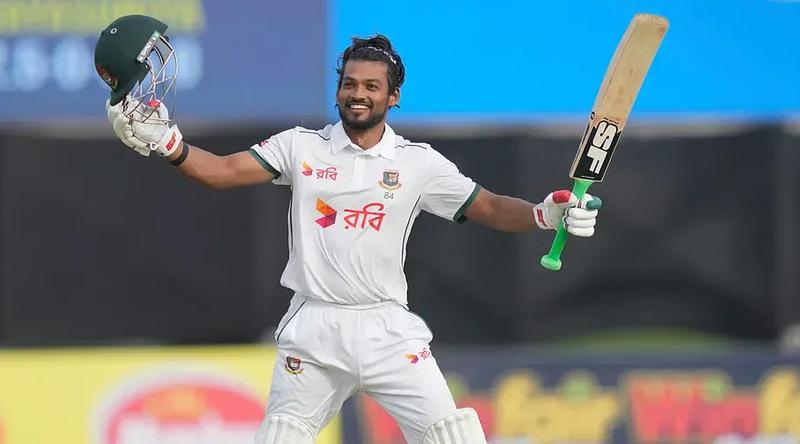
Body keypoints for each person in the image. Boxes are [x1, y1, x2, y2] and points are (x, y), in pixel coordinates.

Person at [96, 15, 601, 444]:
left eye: (371, 87)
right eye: (350, 84)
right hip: (315, 330)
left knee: (455, 437)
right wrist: (169, 144)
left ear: (393, 96)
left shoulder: (417, 162)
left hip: (387, 329)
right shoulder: (301, 146)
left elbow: (488, 206)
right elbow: (221, 172)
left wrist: (544, 215)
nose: (358, 95)